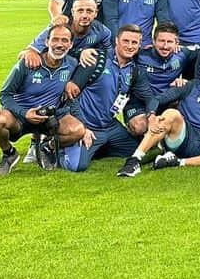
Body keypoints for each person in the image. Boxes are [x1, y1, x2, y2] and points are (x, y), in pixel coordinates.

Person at [118, 55, 200, 177]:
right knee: (171, 114)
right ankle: (134, 161)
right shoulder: (191, 86)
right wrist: (151, 115)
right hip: (183, 136)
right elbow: (158, 99)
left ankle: (177, 162)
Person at [0, 24, 85, 175]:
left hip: (49, 118)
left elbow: (73, 96)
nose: (59, 44)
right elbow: (4, 94)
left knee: (78, 130)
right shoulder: (29, 62)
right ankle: (9, 154)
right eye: (55, 39)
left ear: (71, 44)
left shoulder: (72, 64)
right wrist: (25, 112)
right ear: (46, 42)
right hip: (20, 116)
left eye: (65, 40)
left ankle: (46, 147)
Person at [64, 25, 152, 172]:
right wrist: (82, 128)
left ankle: (97, 147)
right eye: (126, 41)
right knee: (78, 166)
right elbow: (70, 94)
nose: (130, 46)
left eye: (134, 42)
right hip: (87, 126)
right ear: (116, 41)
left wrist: (153, 115)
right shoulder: (96, 58)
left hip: (110, 127)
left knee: (138, 151)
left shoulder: (134, 70)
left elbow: (149, 97)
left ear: (139, 44)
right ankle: (56, 149)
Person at [136, 23, 191, 96]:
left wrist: (186, 82)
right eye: (161, 41)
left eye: (170, 42)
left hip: (170, 100)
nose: (165, 46)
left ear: (177, 43)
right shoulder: (140, 55)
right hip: (143, 100)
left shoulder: (183, 54)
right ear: (154, 41)